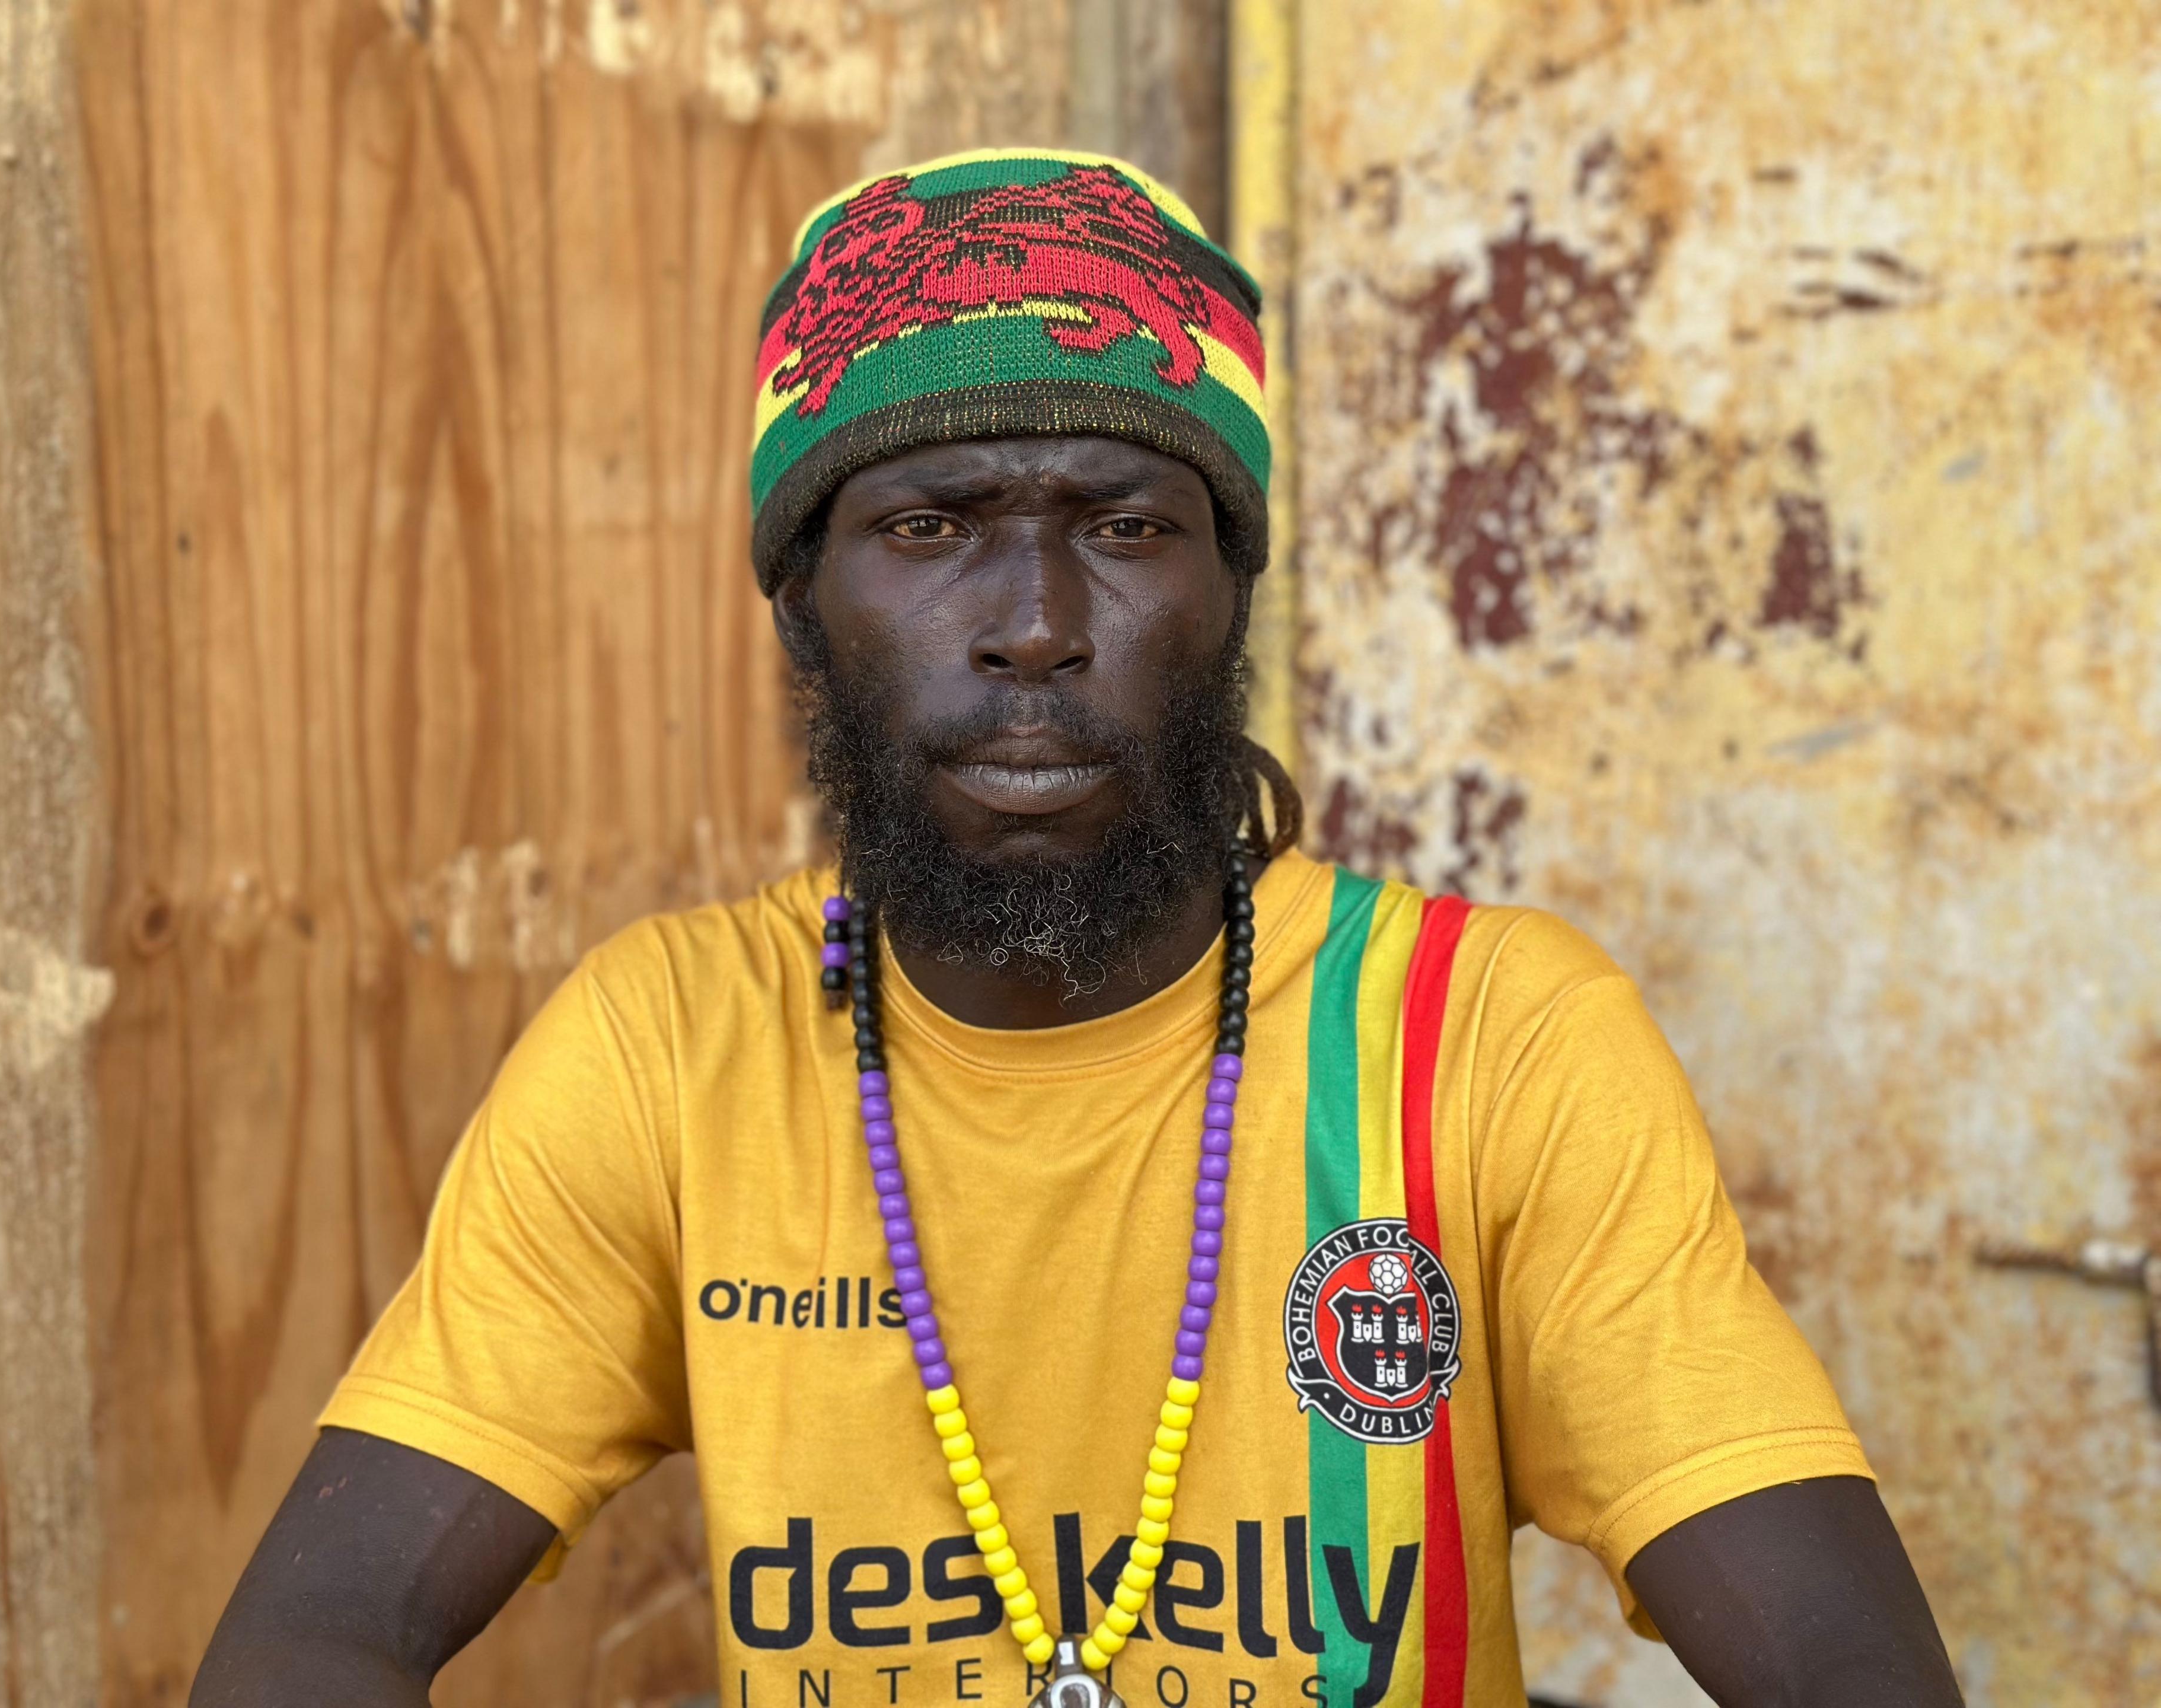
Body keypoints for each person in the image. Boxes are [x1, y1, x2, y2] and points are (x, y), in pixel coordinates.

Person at [192, 149, 1959, 1708]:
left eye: (1123, 525)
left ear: (1229, 591)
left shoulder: (1487, 1043)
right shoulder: (672, 1047)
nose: (1033, 623)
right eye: (931, 524)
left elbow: (1843, 1662)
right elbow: (315, 1635)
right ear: (809, 614)